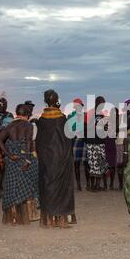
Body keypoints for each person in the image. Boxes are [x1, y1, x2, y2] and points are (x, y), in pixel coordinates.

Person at [36, 89, 76, 228]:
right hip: (61, 157)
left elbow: (39, 142)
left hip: (47, 158)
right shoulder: (62, 119)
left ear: (46, 101)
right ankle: (62, 220)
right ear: (57, 100)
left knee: (47, 186)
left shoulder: (41, 120)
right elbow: (68, 139)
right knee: (62, 188)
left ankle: (48, 221)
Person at [0, 104, 40, 225]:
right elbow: (27, 142)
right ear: (27, 114)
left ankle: (11, 217)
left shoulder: (10, 126)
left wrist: (8, 154)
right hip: (23, 158)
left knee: (12, 186)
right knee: (30, 183)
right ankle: (26, 216)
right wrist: (27, 160)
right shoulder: (28, 125)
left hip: (12, 160)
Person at [85, 96, 108, 191]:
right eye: (101, 103)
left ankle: (98, 185)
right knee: (92, 164)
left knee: (100, 163)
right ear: (96, 103)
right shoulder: (89, 113)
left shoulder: (102, 115)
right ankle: (92, 186)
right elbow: (85, 127)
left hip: (100, 142)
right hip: (91, 142)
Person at [67, 98, 89, 191]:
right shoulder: (71, 116)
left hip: (84, 140)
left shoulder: (86, 115)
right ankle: (79, 185)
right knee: (77, 164)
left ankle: (87, 184)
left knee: (86, 164)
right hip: (76, 140)